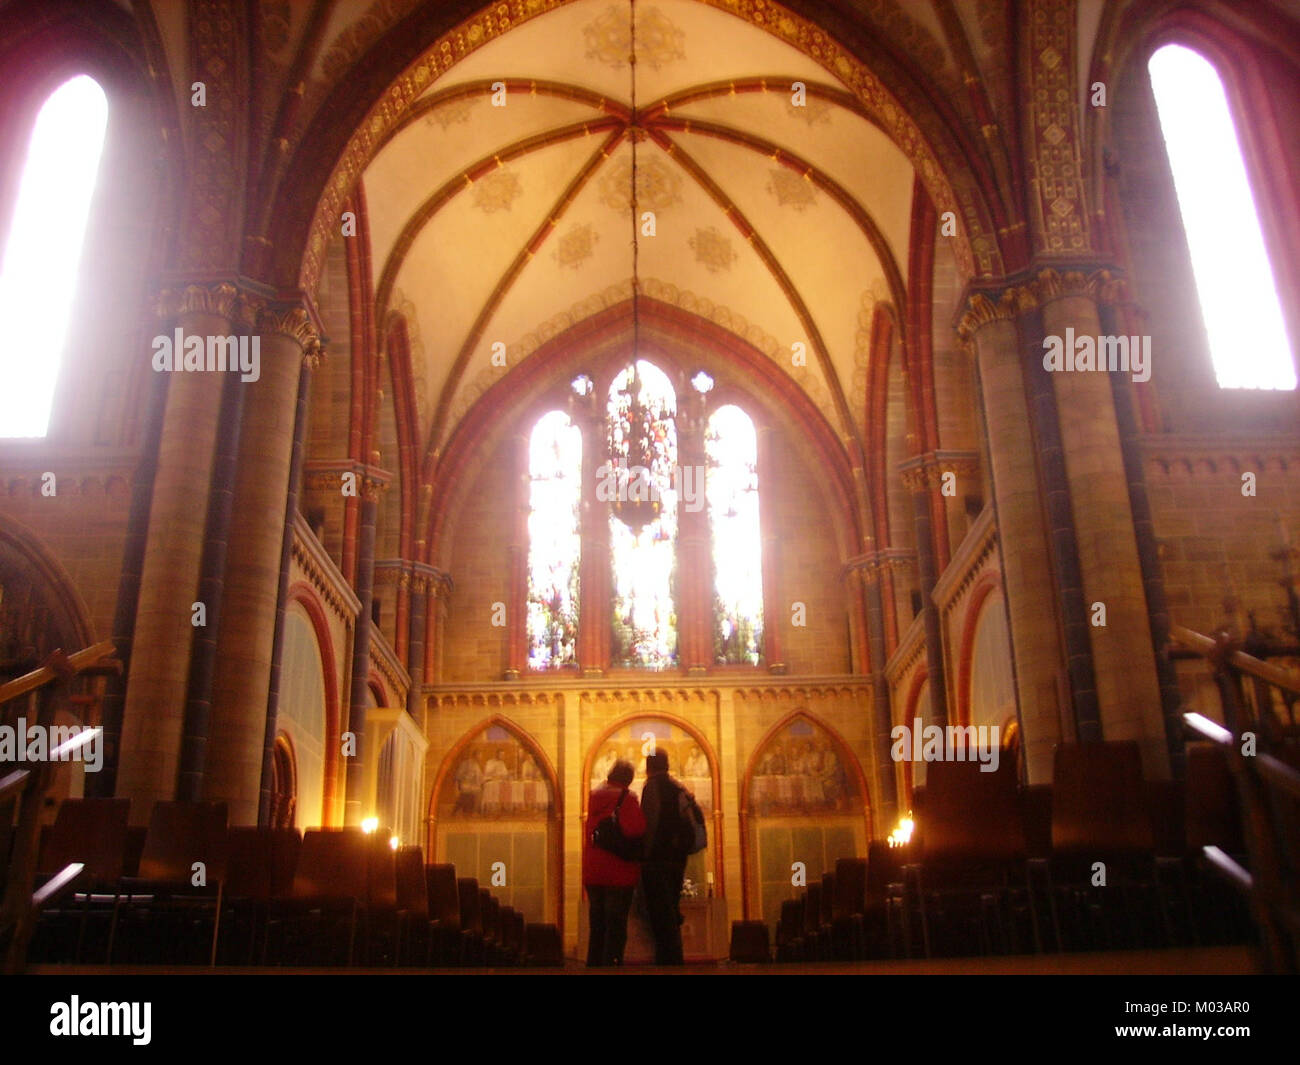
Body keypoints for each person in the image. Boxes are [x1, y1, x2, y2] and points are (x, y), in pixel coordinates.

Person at [582, 760, 646, 967]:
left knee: (597, 924)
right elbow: (635, 829)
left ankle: (593, 965)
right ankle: (612, 966)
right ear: (628, 779)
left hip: (594, 870)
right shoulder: (626, 798)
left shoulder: (593, 796)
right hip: (619, 871)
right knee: (616, 924)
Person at [639, 750, 691, 965]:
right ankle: (674, 959)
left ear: (649, 767)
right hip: (678, 859)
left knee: (661, 915)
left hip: (657, 859)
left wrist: (645, 856)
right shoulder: (679, 788)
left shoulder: (652, 787)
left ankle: (669, 962)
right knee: (670, 909)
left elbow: (650, 823)